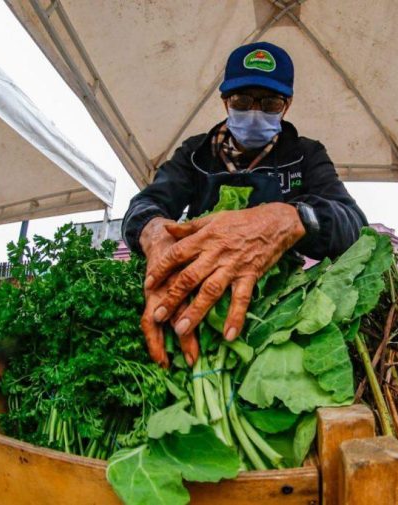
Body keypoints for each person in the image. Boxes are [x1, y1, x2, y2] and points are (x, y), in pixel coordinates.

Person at [122, 42, 367, 367]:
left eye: (269, 103)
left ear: (286, 106)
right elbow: (147, 204)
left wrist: (296, 218)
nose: (254, 112)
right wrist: (155, 237)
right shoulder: (195, 155)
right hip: (201, 298)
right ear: (225, 102)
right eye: (241, 101)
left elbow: (354, 223)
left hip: (280, 307)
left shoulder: (305, 155)